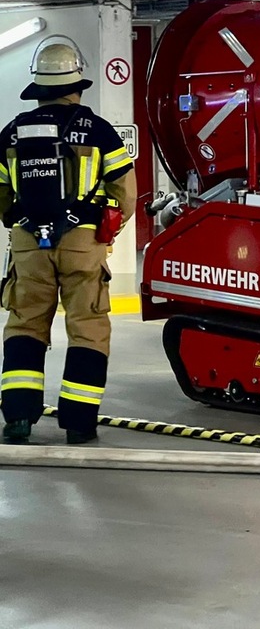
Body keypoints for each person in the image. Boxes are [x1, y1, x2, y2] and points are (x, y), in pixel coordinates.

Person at [0, 37, 136, 444]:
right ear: (76, 87)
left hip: (27, 241)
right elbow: (125, 193)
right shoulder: (97, 130)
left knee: (24, 324)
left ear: (39, 89)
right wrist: (104, 229)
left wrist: (17, 221)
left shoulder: (13, 133)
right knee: (88, 327)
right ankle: (78, 423)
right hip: (83, 239)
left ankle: (19, 418)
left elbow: (1, 193)